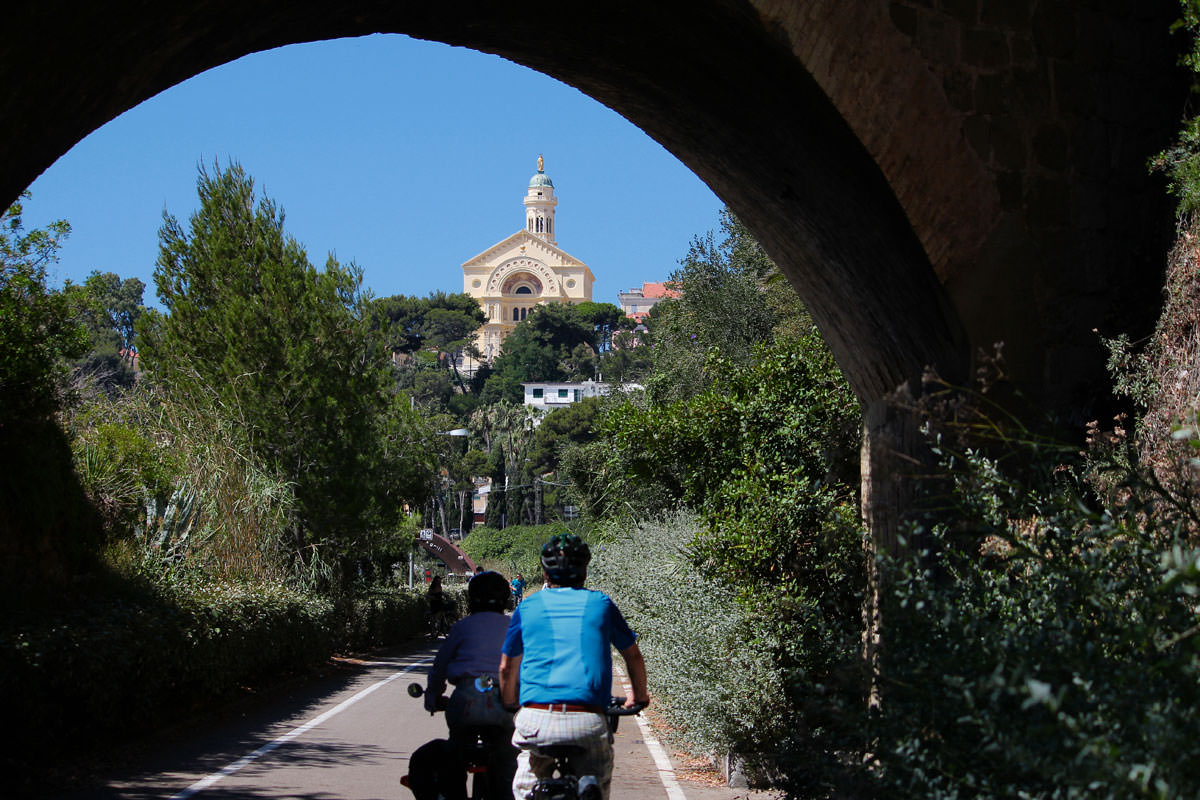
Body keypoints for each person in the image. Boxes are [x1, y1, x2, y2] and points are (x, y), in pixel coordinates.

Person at [499, 533, 650, 800]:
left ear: (545, 574)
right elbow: (633, 656)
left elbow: (507, 668)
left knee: (526, 785)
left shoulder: (529, 607)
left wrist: (510, 701)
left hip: (537, 721)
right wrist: (638, 696)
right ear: (585, 570)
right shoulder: (600, 604)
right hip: (587, 722)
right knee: (596, 780)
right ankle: (590, 788)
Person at [407, 570, 517, 800]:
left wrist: (432, 697)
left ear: (470, 598)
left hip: (465, 702)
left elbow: (439, 666)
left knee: (454, 756)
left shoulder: (462, 627)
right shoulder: (515, 627)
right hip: (504, 703)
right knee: (507, 759)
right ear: (506, 598)